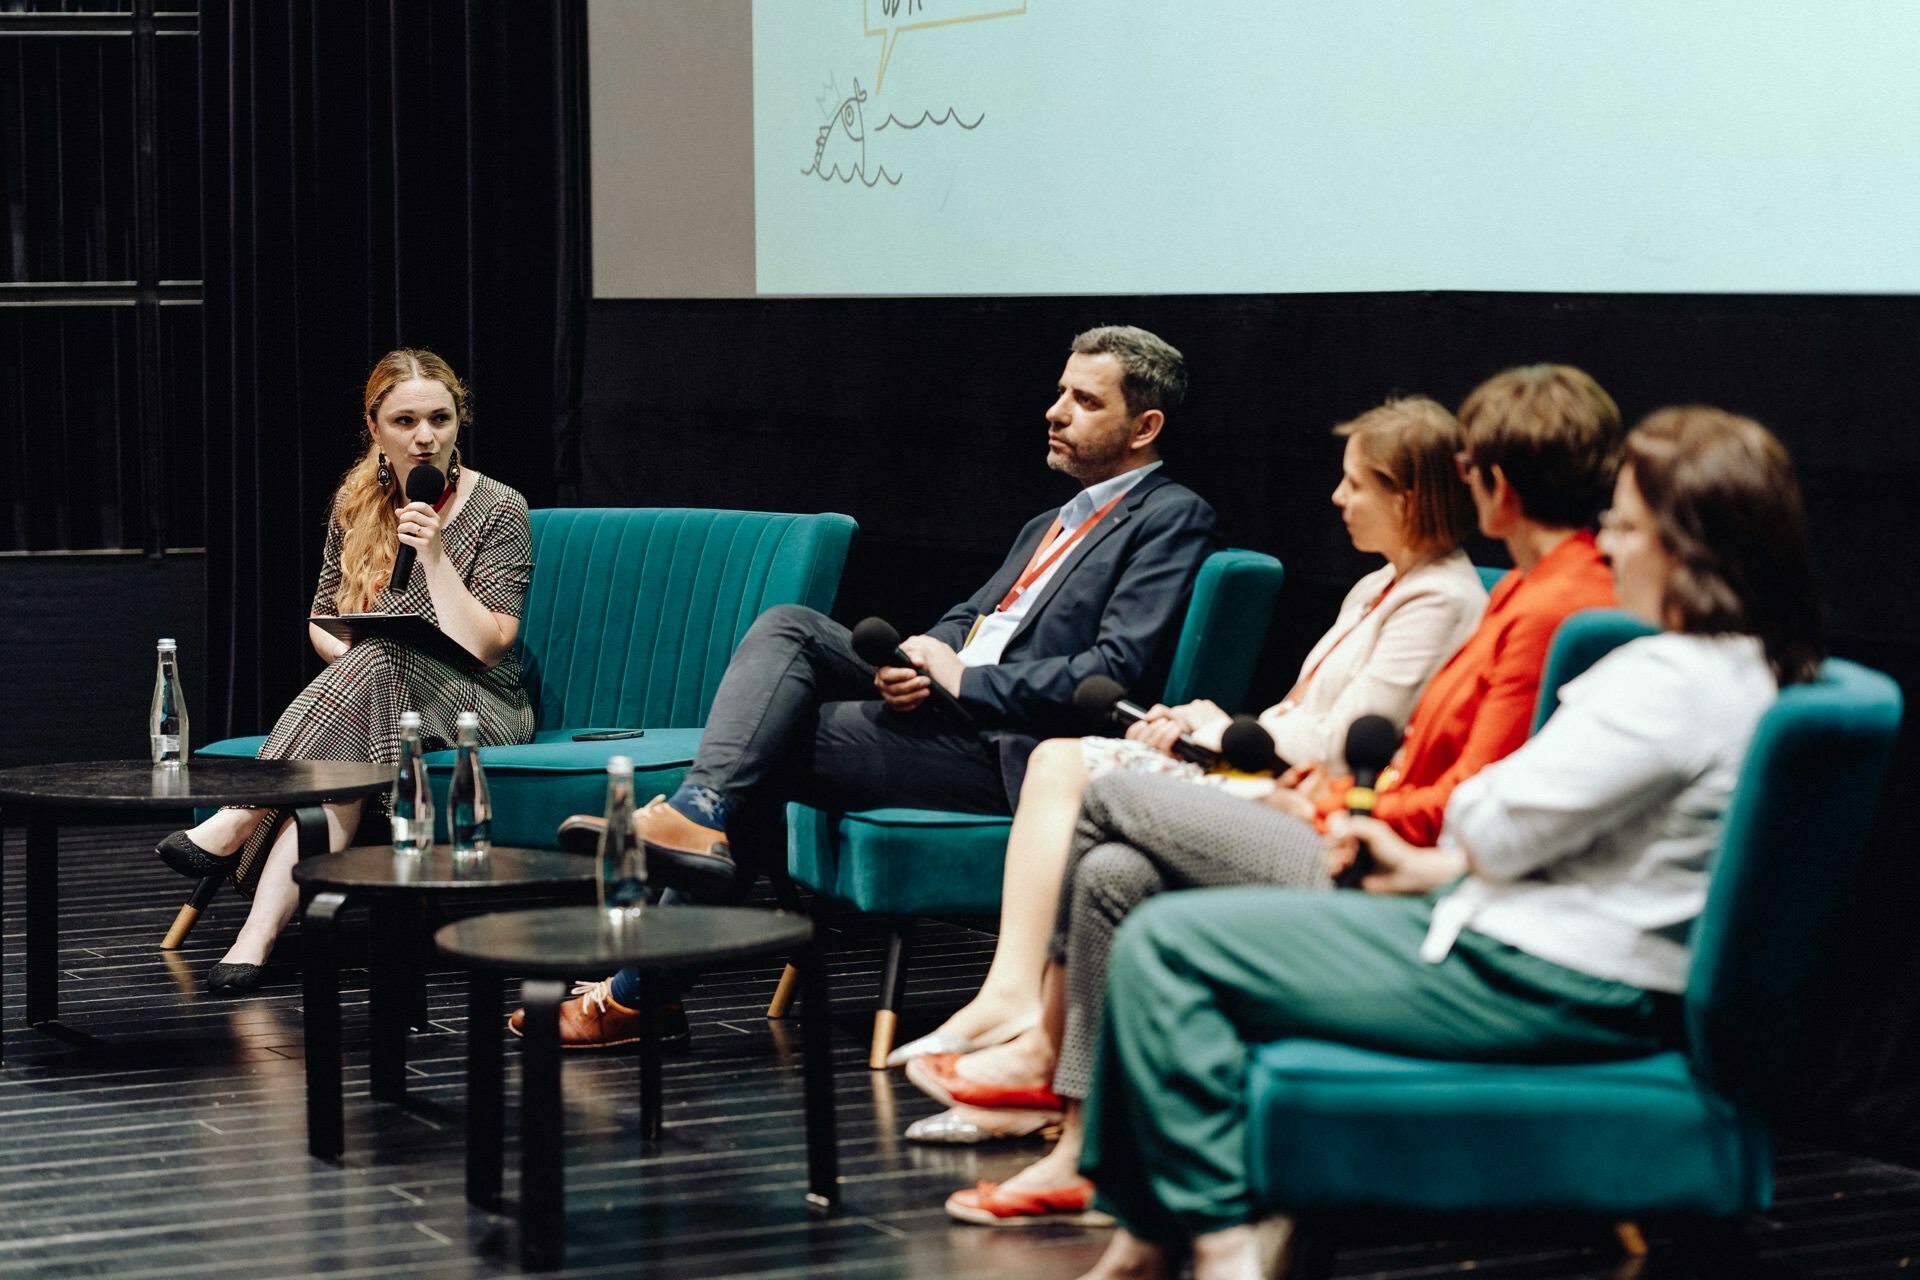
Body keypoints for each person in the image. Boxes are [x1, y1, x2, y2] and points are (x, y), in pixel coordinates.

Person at [1068, 406, 1823, 1280]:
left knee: (1166, 942)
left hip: (1544, 975)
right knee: (1131, 887)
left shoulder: (1666, 679)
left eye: (1623, 528)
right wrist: (1433, 856)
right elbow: (1547, 832)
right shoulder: (1745, 665)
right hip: (1547, 941)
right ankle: (1150, 1238)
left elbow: (1492, 820)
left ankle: (1220, 1235)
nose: (1610, 550)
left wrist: (1447, 835)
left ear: (1688, 542)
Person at [930, 363, 1624, 1224]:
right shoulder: (1517, 588)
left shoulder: (1553, 603)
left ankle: (1035, 1040)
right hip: (1351, 822)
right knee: (1111, 873)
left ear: (1497, 483)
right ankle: (1085, 1151)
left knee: (1096, 785)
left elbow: (1459, 799)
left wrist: (1325, 806)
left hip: (1393, 870)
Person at [531, 324, 1220, 1048]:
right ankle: (687, 855)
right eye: (1059, 392)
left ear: (1145, 427)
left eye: (1084, 400)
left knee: (763, 747)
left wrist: (970, 679)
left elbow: (1113, 669)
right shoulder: (1053, 521)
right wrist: (921, 660)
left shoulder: (1172, 517)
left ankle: (653, 960)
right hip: (952, 708)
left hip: (1013, 746)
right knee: (791, 629)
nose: (1055, 411)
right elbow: (972, 615)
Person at [890, 395, 1485, 1138]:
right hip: (1270, 770)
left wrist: (1218, 733)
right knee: (1090, 821)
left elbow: (1348, 741)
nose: (1337, 497)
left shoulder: (1440, 596)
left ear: (1410, 495)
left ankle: (1022, 1014)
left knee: (1072, 763)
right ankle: (1047, 1065)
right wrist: (1194, 727)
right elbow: (1299, 715)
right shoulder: (1378, 584)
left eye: (1356, 483)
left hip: (1311, 800)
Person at [154, 349, 534, 994]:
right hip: (379, 695)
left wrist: (436, 558)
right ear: (375, 428)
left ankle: (238, 820)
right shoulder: (356, 503)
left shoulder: (500, 507)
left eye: (440, 419)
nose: (425, 437)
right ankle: (257, 937)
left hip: (480, 704)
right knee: (355, 739)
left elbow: (490, 647)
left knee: (387, 654)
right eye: (406, 420)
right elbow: (320, 620)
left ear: (458, 422)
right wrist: (356, 653)